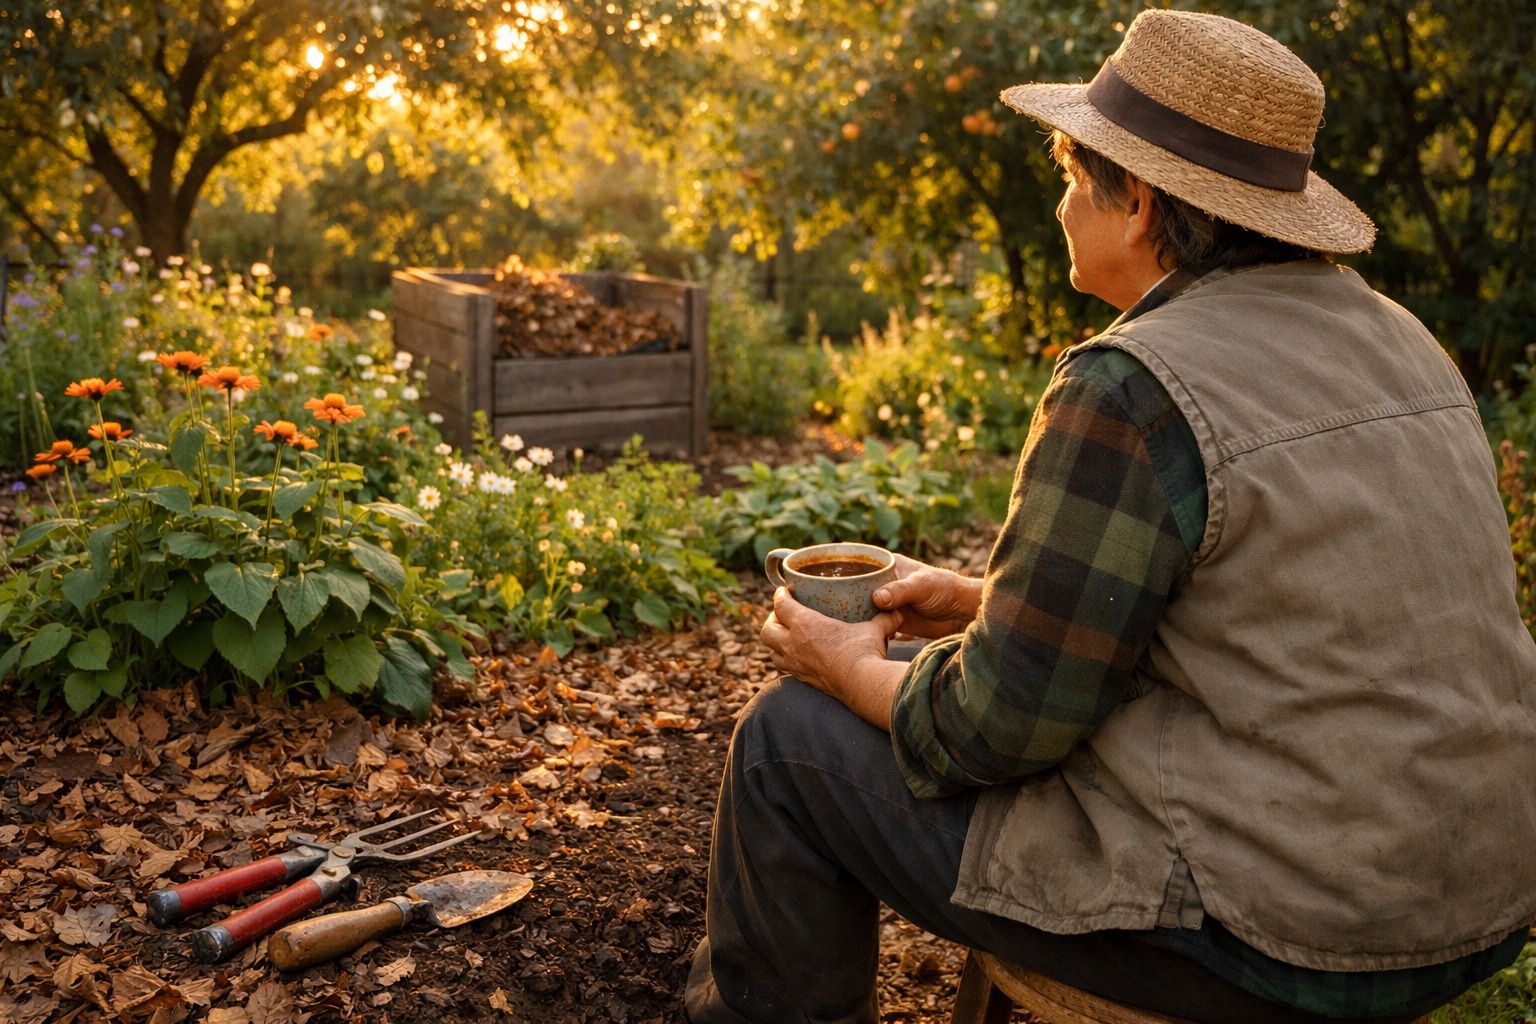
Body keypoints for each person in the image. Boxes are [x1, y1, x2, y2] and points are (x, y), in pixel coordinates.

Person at [683, 9, 1536, 1024]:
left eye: (1067, 177)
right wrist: (979, 601)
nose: (1059, 205)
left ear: (1132, 200)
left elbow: (991, 729)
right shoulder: (1404, 341)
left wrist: (847, 665)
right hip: (1478, 888)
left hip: (1290, 936)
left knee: (789, 744)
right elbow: (1292, 629)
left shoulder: (1135, 385)